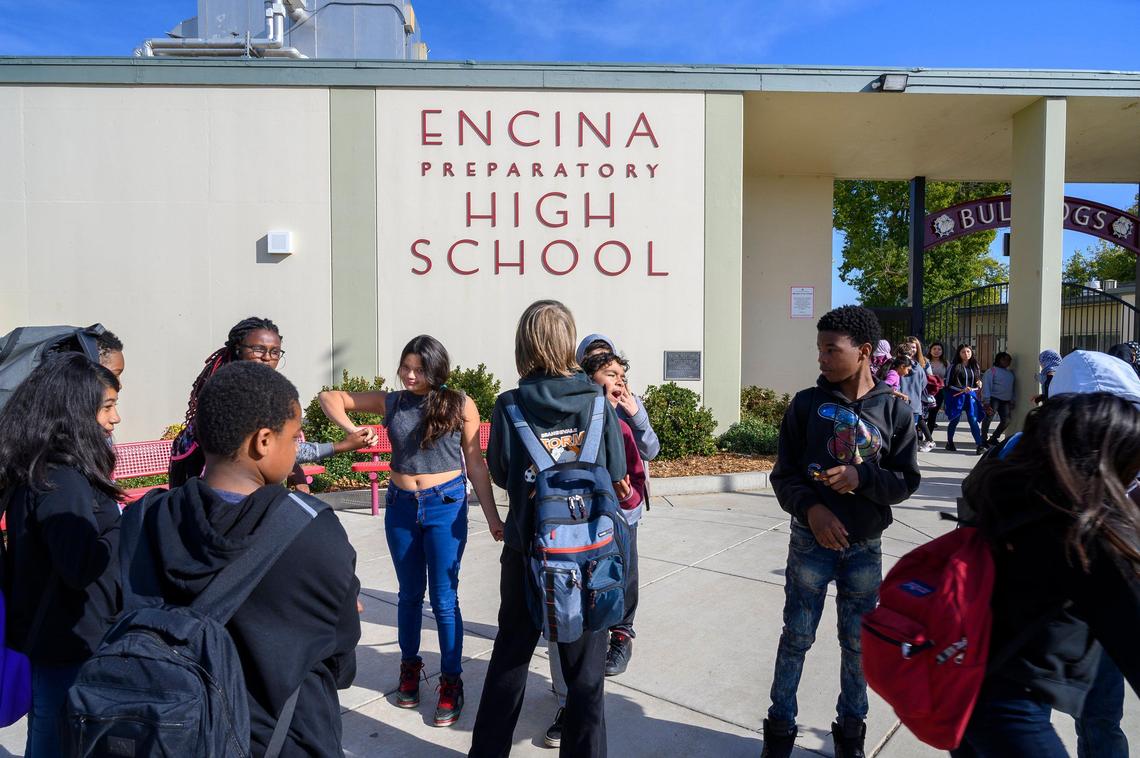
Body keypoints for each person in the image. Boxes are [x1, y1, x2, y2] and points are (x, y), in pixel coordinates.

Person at [128, 361, 361, 755]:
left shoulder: (144, 518)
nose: (296, 449)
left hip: (170, 733)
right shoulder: (313, 529)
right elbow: (341, 650)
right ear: (263, 441)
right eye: (293, 437)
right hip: (285, 737)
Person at [952, 353, 1140, 758]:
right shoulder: (1079, 518)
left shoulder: (1012, 460)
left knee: (1100, 721)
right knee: (1100, 722)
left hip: (984, 675)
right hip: (1012, 683)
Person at [470, 300, 629, 758]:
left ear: (523, 344)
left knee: (510, 658)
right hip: (589, 557)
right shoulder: (597, 402)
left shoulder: (508, 405)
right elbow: (616, 468)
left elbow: (502, 471)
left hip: (527, 550)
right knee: (586, 677)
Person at [319, 334, 502, 727]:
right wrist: (353, 429)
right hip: (401, 507)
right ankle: (409, 668)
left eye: (419, 369)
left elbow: (476, 463)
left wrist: (492, 518)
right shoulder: (392, 401)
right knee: (408, 595)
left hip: (445, 506)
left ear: (436, 370)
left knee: (444, 599)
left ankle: (451, 680)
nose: (410, 375)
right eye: (406, 367)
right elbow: (329, 397)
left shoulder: (460, 404)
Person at [763, 306, 921, 758]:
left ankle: (851, 732)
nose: (822, 358)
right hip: (809, 545)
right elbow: (784, 475)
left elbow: (905, 480)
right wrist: (812, 509)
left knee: (858, 644)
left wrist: (862, 477)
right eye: (819, 349)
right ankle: (779, 729)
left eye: (832, 349)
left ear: (864, 352)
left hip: (864, 549)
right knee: (796, 636)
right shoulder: (805, 405)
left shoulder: (894, 410)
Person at [0, 353, 123, 758]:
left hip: (59, 637)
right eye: (107, 407)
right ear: (75, 410)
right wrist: (124, 529)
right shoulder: (62, 478)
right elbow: (79, 565)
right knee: (55, 739)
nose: (115, 418)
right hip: (67, 640)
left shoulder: (44, 467)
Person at [543, 349, 650, 748]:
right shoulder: (574, 417)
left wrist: (635, 415)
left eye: (622, 373)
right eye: (610, 373)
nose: (618, 380)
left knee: (603, 607)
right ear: (589, 380)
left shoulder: (624, 416)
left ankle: (586, 701)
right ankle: (567, 704)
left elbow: (644, 455)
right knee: (564, 617)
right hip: (575, 529)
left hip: (618, 523)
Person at [169, 316, 367, 489]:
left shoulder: (257, 389)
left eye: (274, 352)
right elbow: (267, 447)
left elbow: (273, 443)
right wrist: (340, 446)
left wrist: (294, 471)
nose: (267, 358)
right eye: (258, 349)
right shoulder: (231, 394)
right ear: (238, 350)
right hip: (210, 488)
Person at [945, 344, 985, 454]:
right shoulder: (954, 366)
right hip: (957, 397)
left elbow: (977, 382)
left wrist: (979, 383)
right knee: (955, 420)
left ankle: (979, 445)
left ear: (971, 353)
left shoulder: (975, 366)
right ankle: (949, 442)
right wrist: (961, 389)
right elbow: (948, 384)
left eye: (968, 351)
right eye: (963, 352)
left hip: (971, 396)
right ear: (959, 353)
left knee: (973, 419)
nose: (966, 354)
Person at [898, 338, 935, 453]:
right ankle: (915, 449)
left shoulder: (898, 365)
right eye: (910, 347)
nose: (912, 349)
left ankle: (912, 450)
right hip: (915, 402)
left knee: (907, 429)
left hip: (902, 402)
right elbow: (924, 383)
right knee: (913, 426)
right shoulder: (919, 367)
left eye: (914, 347)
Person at [980, 352, 1015, 446]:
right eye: (1005, 359)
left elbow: (1012, 388)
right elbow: (986, 386)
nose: (1008, 362)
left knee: (1007, 420)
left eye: (1009, 360)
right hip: (993, 399)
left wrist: (1012, 399)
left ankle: (994, 438)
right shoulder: (991, 371)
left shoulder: (1010, 373)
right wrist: (986, 401)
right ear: (999, 360)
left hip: (1006, 401)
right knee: (988, 418)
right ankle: (983, 440)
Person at [925, 342, 950, 431]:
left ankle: (928, 436)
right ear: (930, 350)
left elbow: (949, 377)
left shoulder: (946, 363)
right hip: (926, 391)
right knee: (923, 414)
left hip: (939, 391)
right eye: (934, 349)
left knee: (933, 414)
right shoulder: (925, 361)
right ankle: (919, 435)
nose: (936, 351)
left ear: (942, 351)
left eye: (939, 349)